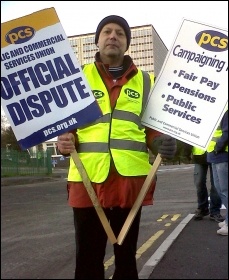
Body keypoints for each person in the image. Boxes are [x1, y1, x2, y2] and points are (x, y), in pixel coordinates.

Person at [57, 15, 177, 279]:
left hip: (130, 183)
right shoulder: (78, 78)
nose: (113, 36)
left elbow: (152, 127)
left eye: (120, 33)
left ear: (127, 43)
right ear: (97, 41)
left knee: (125, 260)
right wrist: (64, 141)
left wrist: (159, 142)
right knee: (87, 260)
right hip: (87, 181)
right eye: (107, 32)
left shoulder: (146, 81)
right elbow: (65, 126)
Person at [182, 145, 224, 222]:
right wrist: (186, 152)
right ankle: (202, 208)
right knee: (199, 182)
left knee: (215, 184)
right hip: (199, 156)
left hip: (215, 153)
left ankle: (215, 211)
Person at [207, 109, 228, 236]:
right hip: (214, 155)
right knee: (220, 189)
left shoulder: (225, 110)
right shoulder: (214, 111)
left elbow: (226, 133)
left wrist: (217, 148)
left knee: (225, 190)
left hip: (222, 155)